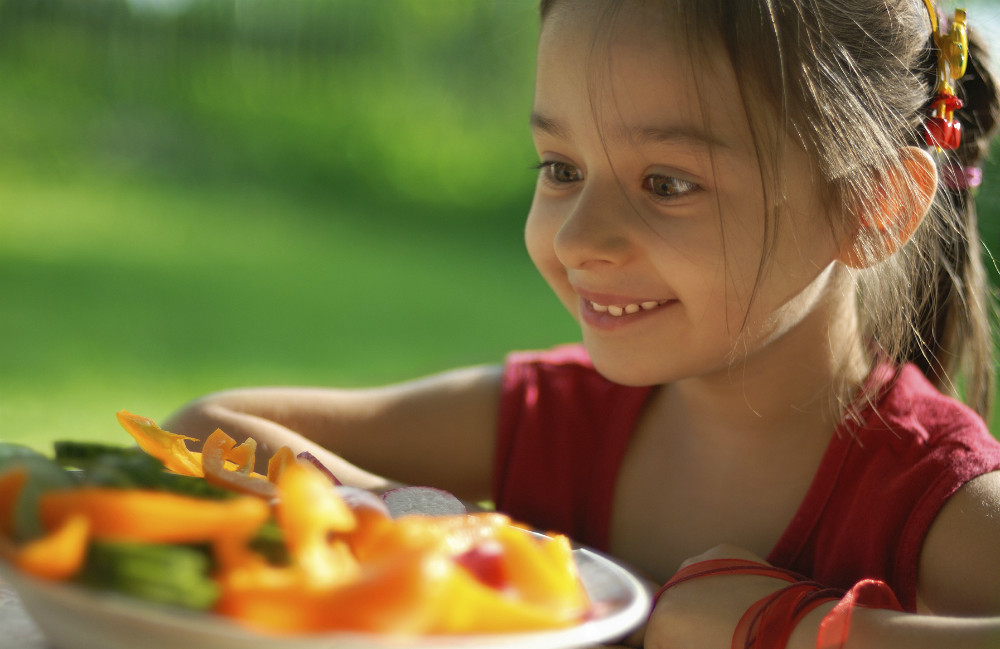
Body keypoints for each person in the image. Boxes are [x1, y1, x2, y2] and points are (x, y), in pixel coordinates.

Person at [165, 0, 1000, 646]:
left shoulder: (930, 496)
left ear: (873, 206)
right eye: (562, 168)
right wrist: (442, 535)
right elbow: (201, 432)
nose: (577, 239)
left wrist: (797, 631)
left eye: (667, 183)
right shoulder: (558, 422)